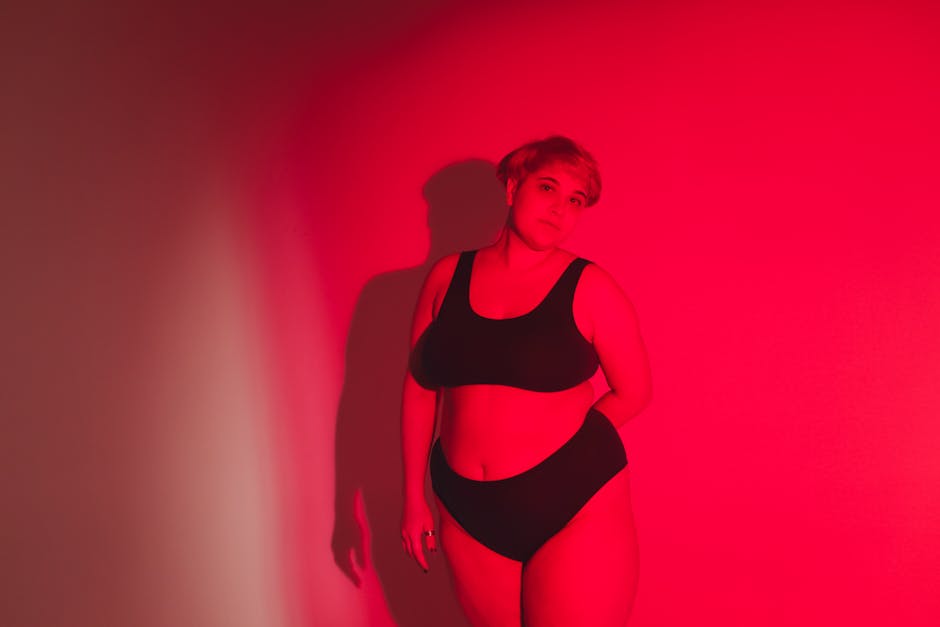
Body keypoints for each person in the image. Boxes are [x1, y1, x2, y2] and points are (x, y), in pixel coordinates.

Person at [401, 136, 652, 626]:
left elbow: (635, 391)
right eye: (548, 188)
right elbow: (419, 388)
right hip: (465, 507)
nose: (560, 209)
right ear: (513, 188)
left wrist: (566, 456)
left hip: (573, 503)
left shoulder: (590, 286)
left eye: (575, 200)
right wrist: (413, 498)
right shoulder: (446, 277)